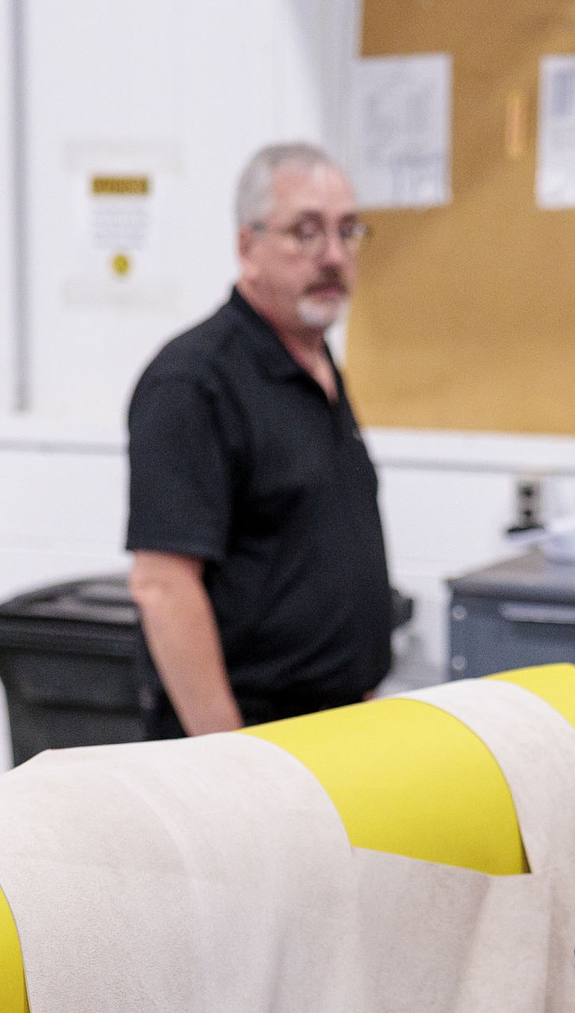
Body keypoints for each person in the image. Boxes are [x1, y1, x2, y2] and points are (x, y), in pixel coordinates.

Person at [124, 141, 391, 736]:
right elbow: (164, 585)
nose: (332, 255)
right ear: (248, 246)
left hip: (335, 727)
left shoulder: (316, 364)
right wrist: (232, 761)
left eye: (347, 231)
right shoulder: (193, 382)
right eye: (305, 232)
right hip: (247, 743)